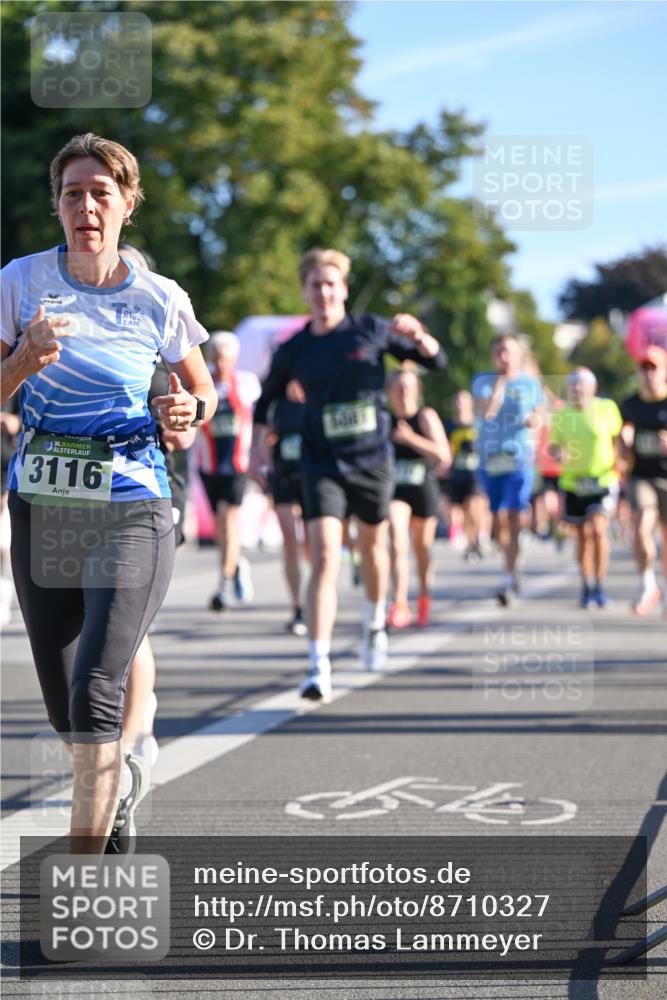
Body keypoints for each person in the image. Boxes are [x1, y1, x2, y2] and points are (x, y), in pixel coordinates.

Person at [0, 133, 216, 853]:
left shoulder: (159, 298)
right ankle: (119, 783)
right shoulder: (18, 283)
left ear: (127, 204)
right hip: (44, 509)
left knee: (98, 692)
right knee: (68, 714)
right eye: (72, 193)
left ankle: (82, 887)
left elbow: (202, 391)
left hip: (132, 504)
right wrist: (21, 363)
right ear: (56, 206)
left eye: (101, 193)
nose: (85, 205)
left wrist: (187, 410)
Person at [250, 248, 446, 702]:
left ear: (344, 289)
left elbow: (436, 362)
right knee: (324, 556)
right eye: (315, 285)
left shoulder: (370, 330)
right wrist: (257, 450)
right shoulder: (296, 349)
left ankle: (375, 622)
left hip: (373, 460)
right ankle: (317, 664)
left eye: (331, 284)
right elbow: (265, 404)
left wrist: (421, 337)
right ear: (305, 291)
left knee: (374, 549)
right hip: (323, 464)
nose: (323, 292)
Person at [472, 334, 543, 605]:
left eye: (508, 352)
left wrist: (532, 420)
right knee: (498, 519)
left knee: (513, 515)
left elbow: (539, 417)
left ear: (518, 354)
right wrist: (500, 384)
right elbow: (485, 413)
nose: (504, 357)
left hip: (519, 456)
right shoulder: (482, 381)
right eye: (499, 352)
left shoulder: (530, 383)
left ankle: (509, 575)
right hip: (491, 458)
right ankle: (511, 560)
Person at [195, 331, 261, 611]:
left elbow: (260, 416)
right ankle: (236, 565)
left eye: (226, 359)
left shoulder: (246, 384)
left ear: (234, 359)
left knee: (228, 518)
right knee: (221, 527)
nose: (221, 365)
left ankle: (222, 585)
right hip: (209, 465)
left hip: (237, 465)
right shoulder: (201, 384)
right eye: (216, 359)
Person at [550, 367, 623, 609]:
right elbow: (552, 446)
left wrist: (621, 463)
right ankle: (587, 585)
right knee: (582, 537)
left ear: (593, 388)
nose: (577, 389)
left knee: (598, 529)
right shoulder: (562, 415)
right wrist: (558, 452)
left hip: (601, 480)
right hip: (573, 483)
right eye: (573, 385)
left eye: (582, 384)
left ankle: (600, 585)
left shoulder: (606, 409)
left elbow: (618, 439)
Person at [387, 366, 450, 628]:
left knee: (422, 548)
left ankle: (424, 597)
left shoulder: (425, 417)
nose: (404, 393)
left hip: (423, 488)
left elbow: (444, 455)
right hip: (395, 491)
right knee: (397, 540)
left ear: (417, 391)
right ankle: (399, 602)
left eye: (409, 387)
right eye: (399, 388)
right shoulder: (385, 419)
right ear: (390, 392)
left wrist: (411, 438)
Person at [620, 345, 667, 616]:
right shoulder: (631, 403)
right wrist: (625, 440)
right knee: (641, 527)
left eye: (654, 368)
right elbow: (625, 428)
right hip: (642, 475)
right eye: (644, 368)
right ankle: (648, 584)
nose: (648, 374)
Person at [266, 381, 309, 635]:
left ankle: (316, 595)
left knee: (312, 545)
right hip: (283, 477)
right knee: (290, 543)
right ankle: (298, 607)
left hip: (312, 477)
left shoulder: (316, 397)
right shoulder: (278, 405)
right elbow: (267, 434)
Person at [442, 390, 485, 561]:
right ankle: (470, 543)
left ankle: (476, 541)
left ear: (470, 404)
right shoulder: (449, 427)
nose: (460, 405)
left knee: (473, 509)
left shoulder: (478, 426)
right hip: (455, 474)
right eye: (458, 401)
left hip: (474, 474)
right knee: (459, 511)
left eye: (464, 401)